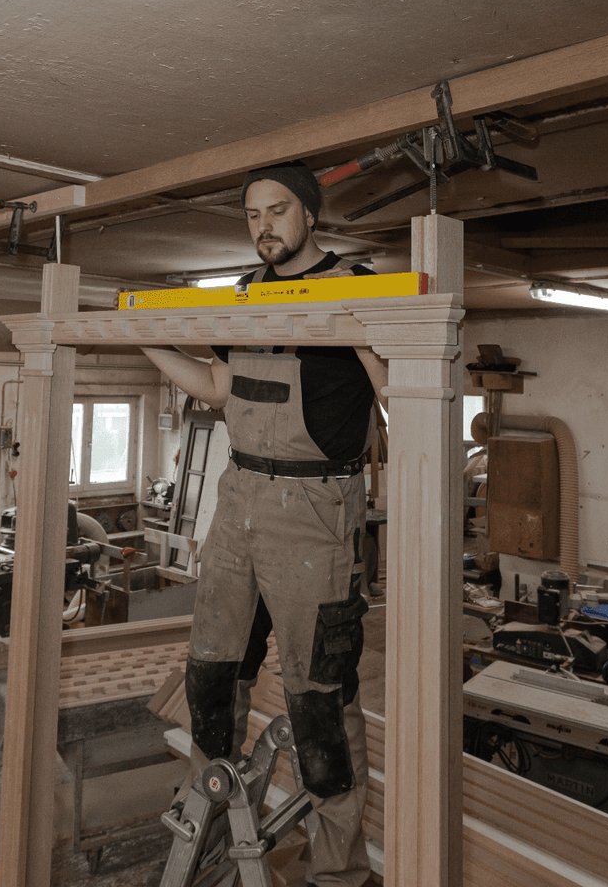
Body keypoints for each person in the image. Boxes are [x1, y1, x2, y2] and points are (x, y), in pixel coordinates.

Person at [143, 162, 384, 887]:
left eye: (278, 210)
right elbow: (220, 386)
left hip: (314, 509)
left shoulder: (354, 288)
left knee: (320, 698)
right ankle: (211, 831)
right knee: (212, 674)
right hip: (238, 495)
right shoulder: (245, 294)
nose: (264, 226)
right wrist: (145, 341)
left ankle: (337, 872)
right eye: (252, 215)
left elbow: (398, 391)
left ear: (310, 215)